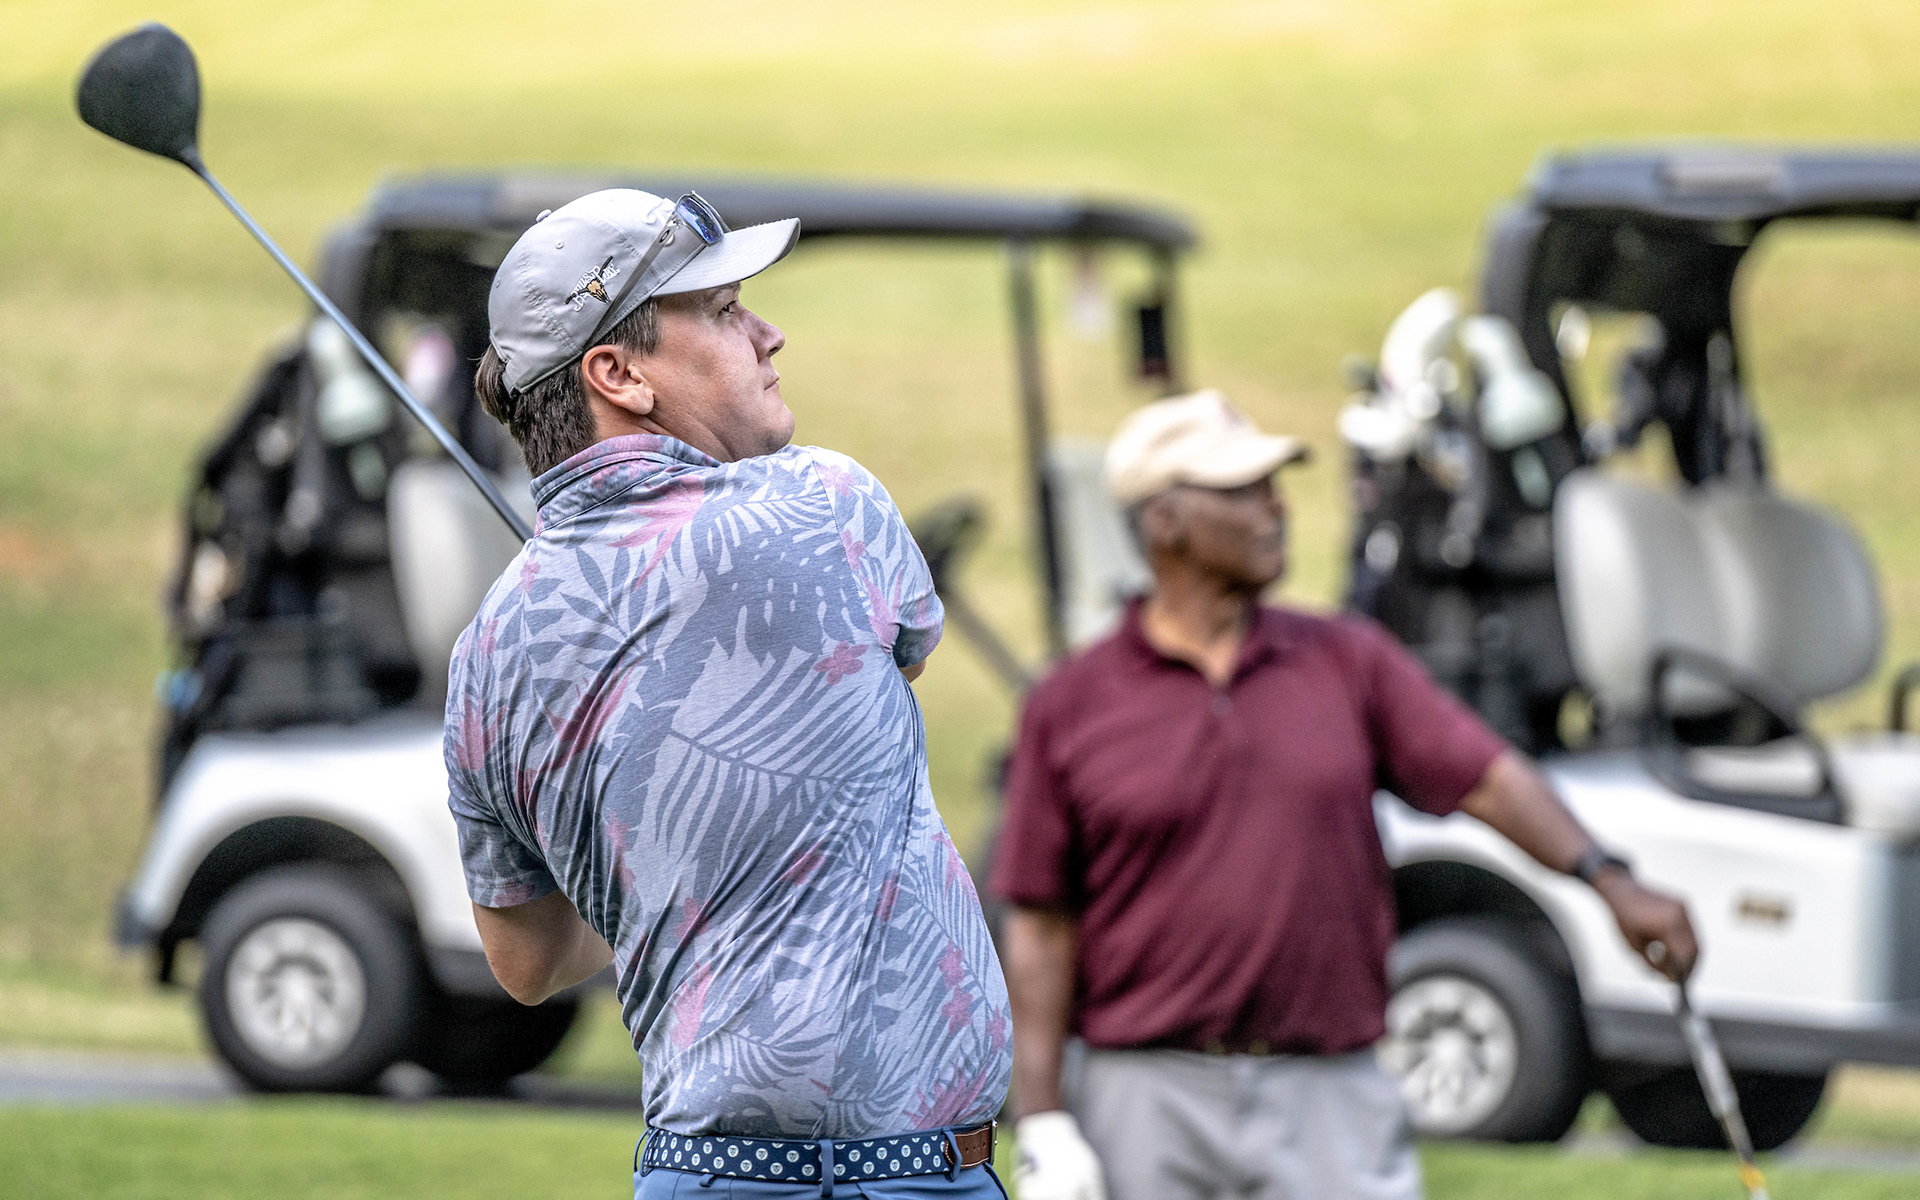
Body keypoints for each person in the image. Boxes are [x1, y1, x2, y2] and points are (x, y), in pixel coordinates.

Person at [991, 390, 1699, 1200]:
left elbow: (1488, 778)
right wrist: (1043, 1119)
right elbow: (1040, 924)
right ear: (1166, 522)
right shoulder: (1071, 703)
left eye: (1273, 488)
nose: (1275, 509)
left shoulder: (1348, 662)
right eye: (1243, 492)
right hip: (1143, 1096)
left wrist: (1607, 878)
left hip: (1331, 1089)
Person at [445, 188, 1011, 1198]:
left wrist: (669, 880)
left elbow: (528, 963)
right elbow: (903, 658)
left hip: (697, 1172)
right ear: (618, 375)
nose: (766, 332)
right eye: (720, 310)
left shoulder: (487, 650)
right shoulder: (826, 501)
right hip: (909, 1177)